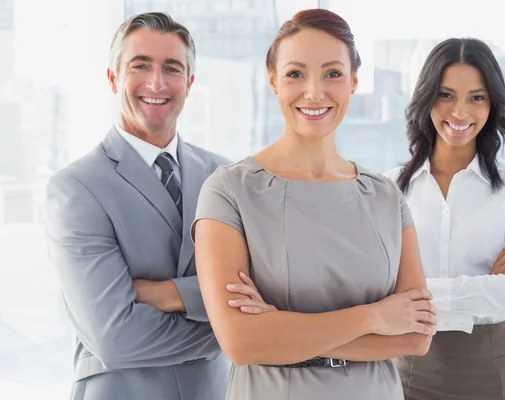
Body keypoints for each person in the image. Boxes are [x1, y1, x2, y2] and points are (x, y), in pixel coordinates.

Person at [192, 8, 437, 400]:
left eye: (333, 73)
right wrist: (374, 317)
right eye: (295, 74)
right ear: (273, 80)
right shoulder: (229, 190)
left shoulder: (386, 196)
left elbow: (416, 335)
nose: (314, 91)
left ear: (354, 81)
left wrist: (280, 330)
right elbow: (240, 342)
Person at [45, 12, 231, 400]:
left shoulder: (224, 175)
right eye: (140, 66)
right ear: (113, 78)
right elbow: (117, 339)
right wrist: (241, 333)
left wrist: (167, 294)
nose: (157, 82)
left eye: (172, 68)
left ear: (189, 83)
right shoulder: (76, 188)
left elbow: (266, 289)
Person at [384, 38, 505, 399]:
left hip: (494, 364)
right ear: (426, 98)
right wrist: (484, 285)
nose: (460, 112)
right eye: (446, 95)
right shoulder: (389, 189)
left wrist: (413, 293)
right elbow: (374, 288)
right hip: (408, 362)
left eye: (476, 97)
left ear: (493, 103)